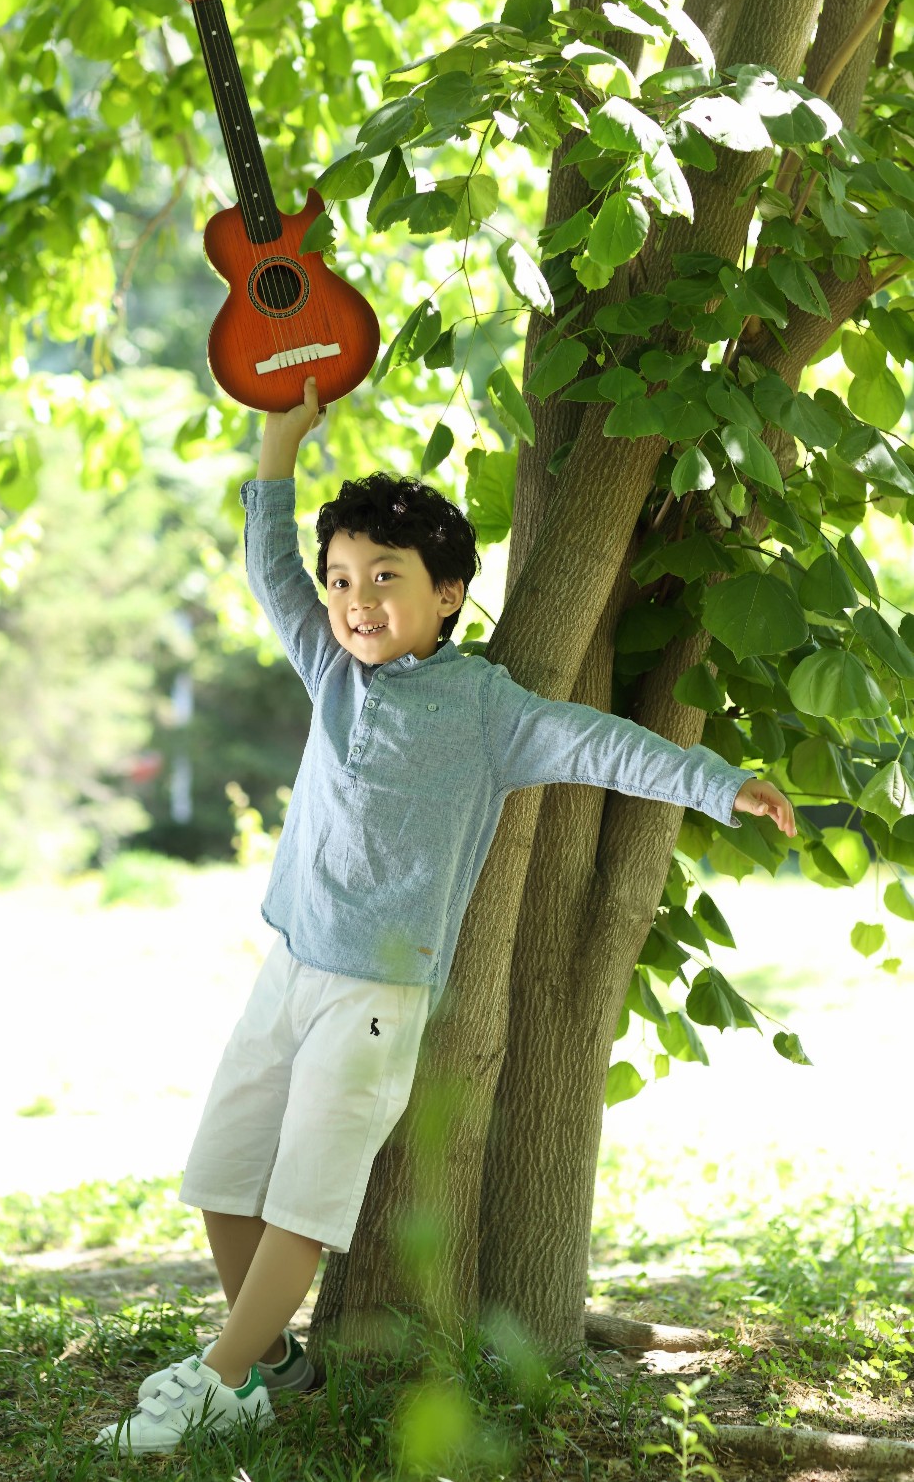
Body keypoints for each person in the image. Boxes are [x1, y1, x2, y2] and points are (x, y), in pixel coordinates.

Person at [96, 375, 795, 1454]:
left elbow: (603, 744)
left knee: (305, 1204)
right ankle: (268, 1366)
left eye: (385, 577)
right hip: (287, 967)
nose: (355, 597)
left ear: (450, 594)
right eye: (343, 578)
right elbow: (268, 566)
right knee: (221, 1174)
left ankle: (211, 1379)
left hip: (379, 989)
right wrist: (276, 446)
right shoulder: (329, 664)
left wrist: (716, 782)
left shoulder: (484, 710)